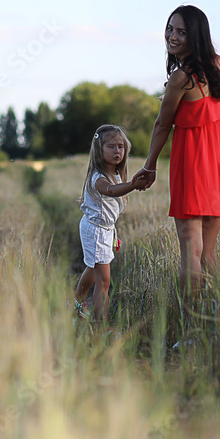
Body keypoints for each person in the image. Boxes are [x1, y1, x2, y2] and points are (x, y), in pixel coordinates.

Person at [133, 5, 220, 296]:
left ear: (195, 36)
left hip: (191, 164)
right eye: (170, 29)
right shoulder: (219, 65)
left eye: (181, 32)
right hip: (218, 163)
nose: (172, 37)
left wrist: (149, 166)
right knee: (209, 253)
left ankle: (190, 325)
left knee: (191, 249)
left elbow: (162, 126)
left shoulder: (180, 78)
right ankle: (218, 315)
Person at [74, 124, 147, 322]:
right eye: (111, 146)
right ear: (99, 150)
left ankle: (76, 303)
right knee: (104, 282)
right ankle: (101, 326)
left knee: (93, 268)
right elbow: (112, 191)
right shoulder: (98, 178)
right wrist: (133, 185)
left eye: (121, 146)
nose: (117, 151)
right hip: (96, 231)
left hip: (102, 230)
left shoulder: (114, 174)